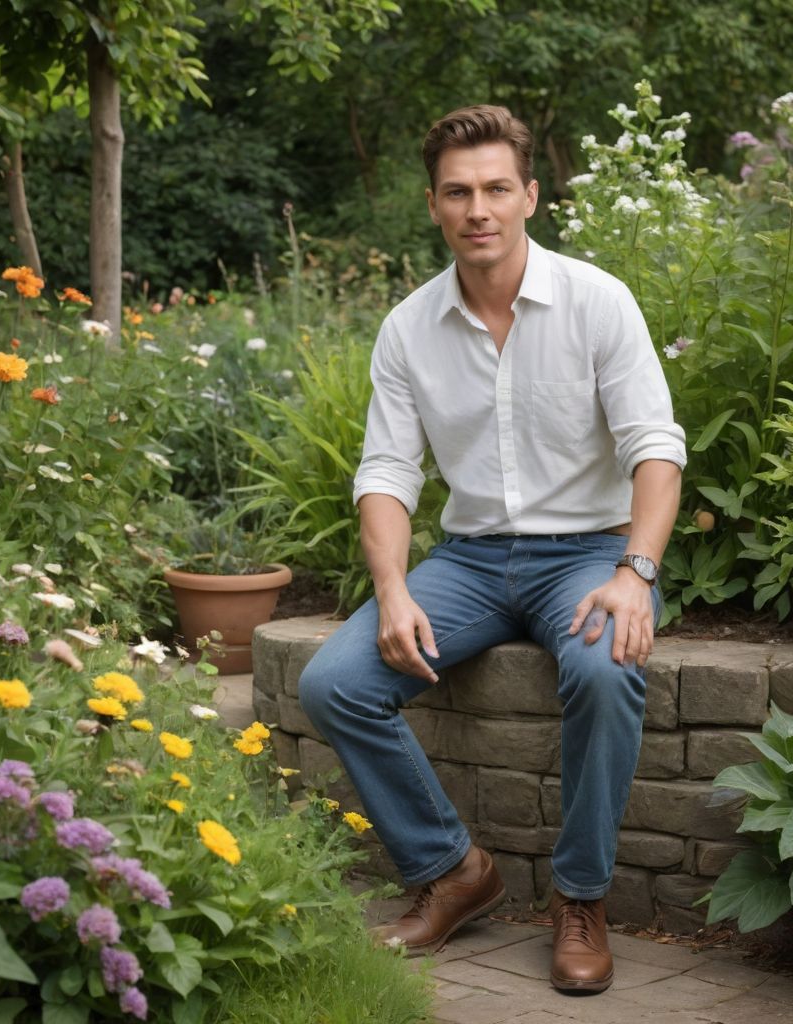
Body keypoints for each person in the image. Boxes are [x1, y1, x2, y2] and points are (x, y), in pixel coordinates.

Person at [298, 104, 686, 994]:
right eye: (458, 192)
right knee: (334, 682)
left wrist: (635, 573)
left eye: (496, 189)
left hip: (588, 554)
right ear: (434, 205)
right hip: (469, 561)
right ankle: (453, 870)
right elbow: (388, 473)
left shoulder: (597, 301)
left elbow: (655, 450)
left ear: (530, 196)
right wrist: (392, 589)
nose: (479, 208)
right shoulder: (408, 328)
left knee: (602, 668)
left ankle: (580, 900)